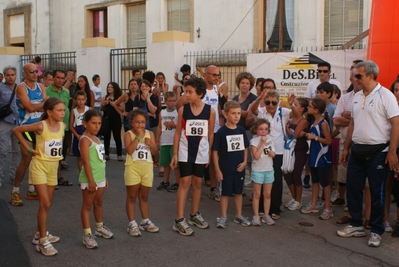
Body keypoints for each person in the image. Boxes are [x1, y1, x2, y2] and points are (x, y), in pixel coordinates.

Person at [337, 60, 399, 247]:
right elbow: (353, 124)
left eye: (359, 76)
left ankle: (376, 229)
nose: (355, 79)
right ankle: (356, 224)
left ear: (370, 76)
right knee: (353, 189)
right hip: (357, 150)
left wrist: (393, 152)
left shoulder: (385, 95)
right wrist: (347, 148)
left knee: (376, 192)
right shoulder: (356, 96)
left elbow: (396, 123)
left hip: (379, 151)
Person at [12, 97, 65, 256]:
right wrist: (29, 148)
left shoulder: (62, 126)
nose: (63, 113)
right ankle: (42, 241)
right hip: (39, 167)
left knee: (48, 204)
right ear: (49, 112)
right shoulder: (41, 126)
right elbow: (17, 130)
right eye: (59, 110)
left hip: (53, 168)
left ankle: (38, 234)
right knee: (44, 202)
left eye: (63, 110)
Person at [170, 77, 215, 236]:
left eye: (190, 92)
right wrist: (175, 153)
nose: (186, 94)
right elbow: (177, 133)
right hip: (184, 150)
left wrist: (209, 153)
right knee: (185, 182)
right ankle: (179, 220)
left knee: (197, 182)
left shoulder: (210, 111)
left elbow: (210, 134)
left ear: (200, 94)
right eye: (185, 91)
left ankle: (194, 214)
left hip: (201, 152)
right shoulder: (183, 110)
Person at [250, 91, 292, 220]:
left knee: (277, 181)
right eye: (268, 102)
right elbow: (253, 110)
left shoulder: (284, 112)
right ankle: (262, 208)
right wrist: (259, 99)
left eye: (274, 102)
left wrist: (292, 105)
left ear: (278, 102)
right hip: (262, 151)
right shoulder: (262, 111)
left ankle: (275, 207)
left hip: (278, 151)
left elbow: (296, 115)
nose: (271, 105)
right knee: (261, 179)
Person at [10, 63, 47, 206]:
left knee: (37, 158)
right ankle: (15, 191)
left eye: (36, 71)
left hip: (39, 127)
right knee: (26, 159)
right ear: (24, 73)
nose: (35, 73)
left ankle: (32, 189)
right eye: (31, 71)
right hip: (25, 127)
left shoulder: (41, 86)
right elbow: (30, 107)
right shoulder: (21, 87)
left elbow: (45, 104)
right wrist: (40, 104)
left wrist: (34, 105)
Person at [212, 100, 250, 228]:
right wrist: (217, 170)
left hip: (239, 168)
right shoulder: (221, 132)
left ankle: (238, 215)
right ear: (226, 114)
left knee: (238, 192)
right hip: (225, 168)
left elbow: (245, 147)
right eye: (233, 113)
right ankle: (223, 217)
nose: (236, 116)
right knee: (225, 193)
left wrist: (245, 162)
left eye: (238, 113)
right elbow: (215, 152)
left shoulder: (241, 130)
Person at [79, 109, 113, 249]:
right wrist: (91, 180)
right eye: (93, 123)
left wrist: (104, 178)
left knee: (98, 202)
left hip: (99, 177)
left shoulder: (98, 139)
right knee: (87, 205)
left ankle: (99, 227)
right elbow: (86, 162)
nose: (97, 126)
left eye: (99, 123)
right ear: (85, 123)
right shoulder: (85, 140)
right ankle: (87, 234)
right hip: (89, 178)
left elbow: (101, 160)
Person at [124, 109, 159, 237]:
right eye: (137, 122)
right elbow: (129, 150)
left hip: (147, 168)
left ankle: (145, 221)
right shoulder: (128, 134)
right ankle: (132, 223)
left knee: (144, 196)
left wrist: (151, 145)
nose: (140, 125)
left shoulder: (150, 134)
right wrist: (138, 137)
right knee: (132, 196)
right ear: (131, 122)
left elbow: (155, 154)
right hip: (133, 168)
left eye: (143, 122)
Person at [300, 98, 333, 220]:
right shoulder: (314, 121)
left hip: (322, 156)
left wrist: (315, 137)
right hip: (314, 155)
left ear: (316, 109)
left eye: (310, 106)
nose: (308, 107)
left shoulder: (323, 123)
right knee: (315, 180)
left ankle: (328, 208)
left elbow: (328, 141)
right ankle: (314, 203)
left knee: (324, 182)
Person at [46, 70, 72, 186]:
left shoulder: (66, 92)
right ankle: (50, 179)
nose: (60, 80)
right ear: (53, 78)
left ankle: (58, 177)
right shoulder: (47, 91)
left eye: (62, 78)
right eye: (58, 78)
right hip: (51, 128)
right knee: (51, 153)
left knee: (61, 153)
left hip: (64, 127)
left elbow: (67, 108)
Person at [283, 98, 309, 211]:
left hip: (299, 150)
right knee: (287, 174)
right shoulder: (292, 118)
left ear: (302, 109)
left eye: (295, 105)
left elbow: (295, 136)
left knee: (296, 174)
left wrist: (287, 129)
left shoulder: (303, 121)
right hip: (290, 150)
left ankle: (298, 200)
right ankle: (294, 198)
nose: (293, 106)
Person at [249, 118, 276, 226]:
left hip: (269, 169)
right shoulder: (254, 141)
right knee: (257, 194)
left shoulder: (270, 139)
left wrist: (272, 153)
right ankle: (256, 215)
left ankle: (266, 215)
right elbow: (256, 156)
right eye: (261, 129)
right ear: (256, 130)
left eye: (266, 129)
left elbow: (273, 153)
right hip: (258, 170)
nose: (263, 131)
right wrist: (262, 144)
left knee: (268, 194)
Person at [156, 91, 180, 192]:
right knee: (165, 163)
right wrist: (157, 139)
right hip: (165, 141)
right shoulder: (162, 112)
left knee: (175, 164)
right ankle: (166, 181)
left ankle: (178, 183)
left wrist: (173, 125)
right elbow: (160, 126)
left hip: (174, 141)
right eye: (170, 101)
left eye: (174, 101)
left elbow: (181, 126)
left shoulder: (178, 112)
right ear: (165, 102)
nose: (172, 103)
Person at [0, 66, 20, 188]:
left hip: (18, 124)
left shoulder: (21, 88)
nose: (10, 77)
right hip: (4, 123)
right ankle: (0, 178)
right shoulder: (1, 88)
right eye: (7, 75)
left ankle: (14, 176)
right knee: (2, 151)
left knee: (17, 152)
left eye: (12, 75)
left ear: (15, 75)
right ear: (4, 76)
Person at [100, 82, 124, 161]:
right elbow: (101, 108)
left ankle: (119, 154)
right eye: (108, 87)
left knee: (117, 137)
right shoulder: (105, 97)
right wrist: (104, 104)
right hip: (107, 119)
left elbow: (122, 109)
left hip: (116, 119)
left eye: (111, 87)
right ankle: (106, 154)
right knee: (106, 137)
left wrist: (114, 104)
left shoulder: (118, 97)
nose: (109, 88)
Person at [69, 91, 90, 172]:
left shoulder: (89, 110)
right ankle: (81, 176)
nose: (81, 101)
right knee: (80, 157)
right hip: (78, 135)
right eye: (79, 99)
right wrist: (77, 135)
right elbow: (70, 126)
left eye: (82, 99)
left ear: (85, 100)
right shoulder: (73, 112)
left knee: (89, 157)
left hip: (88, 134)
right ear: (75, 100)